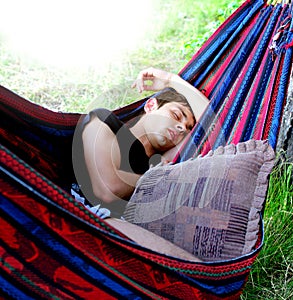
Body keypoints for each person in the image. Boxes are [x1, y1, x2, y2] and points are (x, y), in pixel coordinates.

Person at [72, 67, 209, 218]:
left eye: (188, 129)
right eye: (176, 115)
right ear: (151, 106)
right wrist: (156, 175)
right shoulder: (103, 121)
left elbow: (212, 123)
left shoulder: (166, 160)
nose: (182, 127)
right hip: (77, 216)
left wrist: (171, 79)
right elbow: (108, 190)